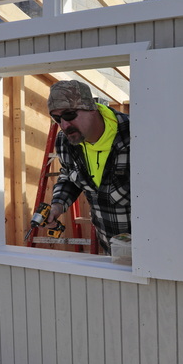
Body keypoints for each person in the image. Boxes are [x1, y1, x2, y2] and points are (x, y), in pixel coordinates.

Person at [44, 80, 131, 255]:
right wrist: (58, 205)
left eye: (69, 115)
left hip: (153, 247)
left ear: (92, 108)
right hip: (111, 247)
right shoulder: (66, 141)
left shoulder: (134, 134)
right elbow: (69, 175)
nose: (65, 125)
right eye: (57, 118)